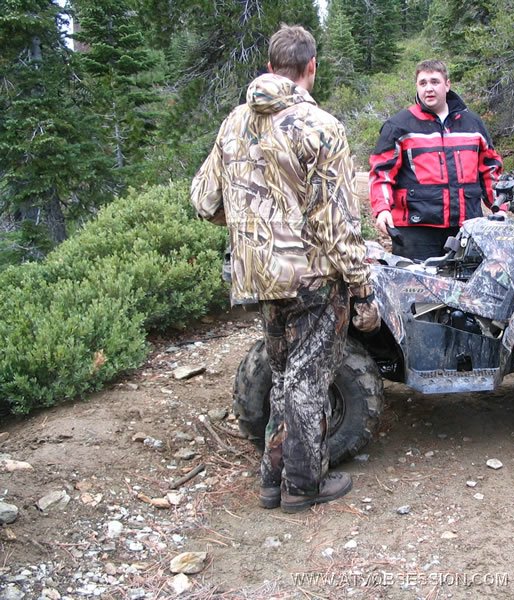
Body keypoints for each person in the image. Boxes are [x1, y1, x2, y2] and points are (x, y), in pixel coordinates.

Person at [190, 24, 379, 513]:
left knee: (282, 377)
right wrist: (362, 286)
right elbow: (337, 224)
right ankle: (303, 485)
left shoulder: (234, 122)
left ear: (271, 67)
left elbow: (204, 199)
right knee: (308, 381)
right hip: (314, 277)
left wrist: (253, 227)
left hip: (259, 275)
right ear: (311, 67)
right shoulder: (321, 127)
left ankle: (272, 483)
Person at [369, 59, 504, 261]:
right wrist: (382, 209)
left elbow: (490, 169)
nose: (429, 88)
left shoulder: (473, 124)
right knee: (414, 282)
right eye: (423, 83)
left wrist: (499, 209)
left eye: (434, 82)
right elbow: (381, 172)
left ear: (447, 85)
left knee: (470, 282)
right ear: (417, 87)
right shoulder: (398, 125)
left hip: (466, 227)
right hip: (415, 231)